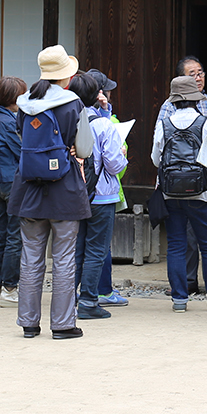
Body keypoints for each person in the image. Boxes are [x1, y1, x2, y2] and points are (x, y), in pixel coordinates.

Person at [9, 45, 95, 340]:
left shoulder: (25, 103)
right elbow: (84, 148)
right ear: (67, 77)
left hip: (29, 187)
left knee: (31, 257)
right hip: (64, 188)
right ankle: (62, 324)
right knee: (64, 257)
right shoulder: (73, 104)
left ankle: (29, 323)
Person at [153, 75, 207, 312]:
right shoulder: (206, 123)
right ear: (195, 99)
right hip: (201, 194)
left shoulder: (164, 124)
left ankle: (179, 300)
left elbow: (156, 160)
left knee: (175, 245)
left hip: (170, 193)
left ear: (173, 101)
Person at [71, 72, 127, 320]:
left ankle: (68, 299)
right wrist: (123, 152)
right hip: (101, 196)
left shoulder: (67, 120)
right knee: (96, 250)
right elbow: (114, 165)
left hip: (74, 194)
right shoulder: (104, 125)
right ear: (98, 95)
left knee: (76, 249)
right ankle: (88, 301)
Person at [0, 76, 27, 308]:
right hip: (13, 182)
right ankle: (10, 289)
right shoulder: (8, 122)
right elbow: (22, 151)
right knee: (14, 237)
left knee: (2, 236)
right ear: (14, 98)